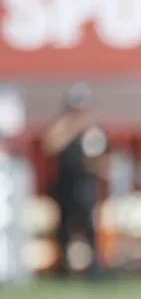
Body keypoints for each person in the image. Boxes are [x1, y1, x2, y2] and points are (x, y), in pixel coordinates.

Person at [42, 84, 107, 278]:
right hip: (66, 185)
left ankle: (94, 268)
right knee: (64, 228)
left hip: (86, 185)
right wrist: (73, 125)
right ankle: (63, 268)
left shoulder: (94, 131)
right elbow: (50, 144)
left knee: (89, 226)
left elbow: (101, 160)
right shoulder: (63, 126)